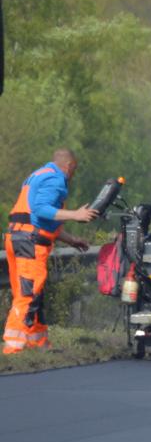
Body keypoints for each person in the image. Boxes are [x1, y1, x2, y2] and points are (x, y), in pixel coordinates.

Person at [4, 150, 96, 354]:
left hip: (17, 238)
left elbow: (39, 219)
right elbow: (40, 209)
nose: (72, 176)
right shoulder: (56, 179)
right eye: (74, 171)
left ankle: (37, 342)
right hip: (31, 243)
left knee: (30, 291)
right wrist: (75, 214)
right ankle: (13, 347)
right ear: (70, 166)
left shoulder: (37, 175)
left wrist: (72, 240)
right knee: (28, 293)